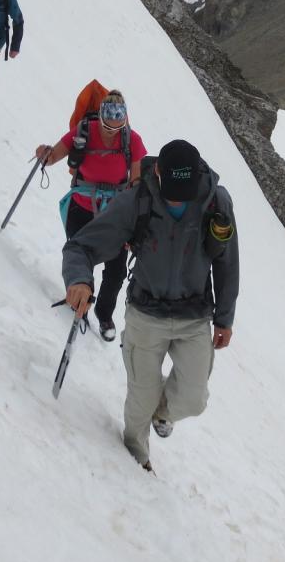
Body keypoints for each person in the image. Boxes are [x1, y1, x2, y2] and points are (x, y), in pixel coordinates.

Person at [61, 139, 239, 472]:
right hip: (146, 314)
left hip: (194, 315)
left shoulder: (215, 201)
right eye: (171, 189)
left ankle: (162, 413)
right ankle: (136, 463)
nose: (176, 198)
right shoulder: (137, 201)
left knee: (193, 399)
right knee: (140, 401)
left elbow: (227, 262)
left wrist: (225, 318)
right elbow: (80, 247)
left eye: (183, 192)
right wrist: (79, 280)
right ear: (157, 172)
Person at [35, 91, 147, 341]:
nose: (110, 132)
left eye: (115, 127)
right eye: (106, 126)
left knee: (116, 270)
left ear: (124, 122)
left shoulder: (132, 140)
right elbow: (55, 154)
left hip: (115, 213)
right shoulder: (84, 130)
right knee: (80, 257)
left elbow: (137, 182)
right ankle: (81, 301)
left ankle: (104, 312)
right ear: (100, 118)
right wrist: (45, 153)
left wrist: (135, 221)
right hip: (82, 206)